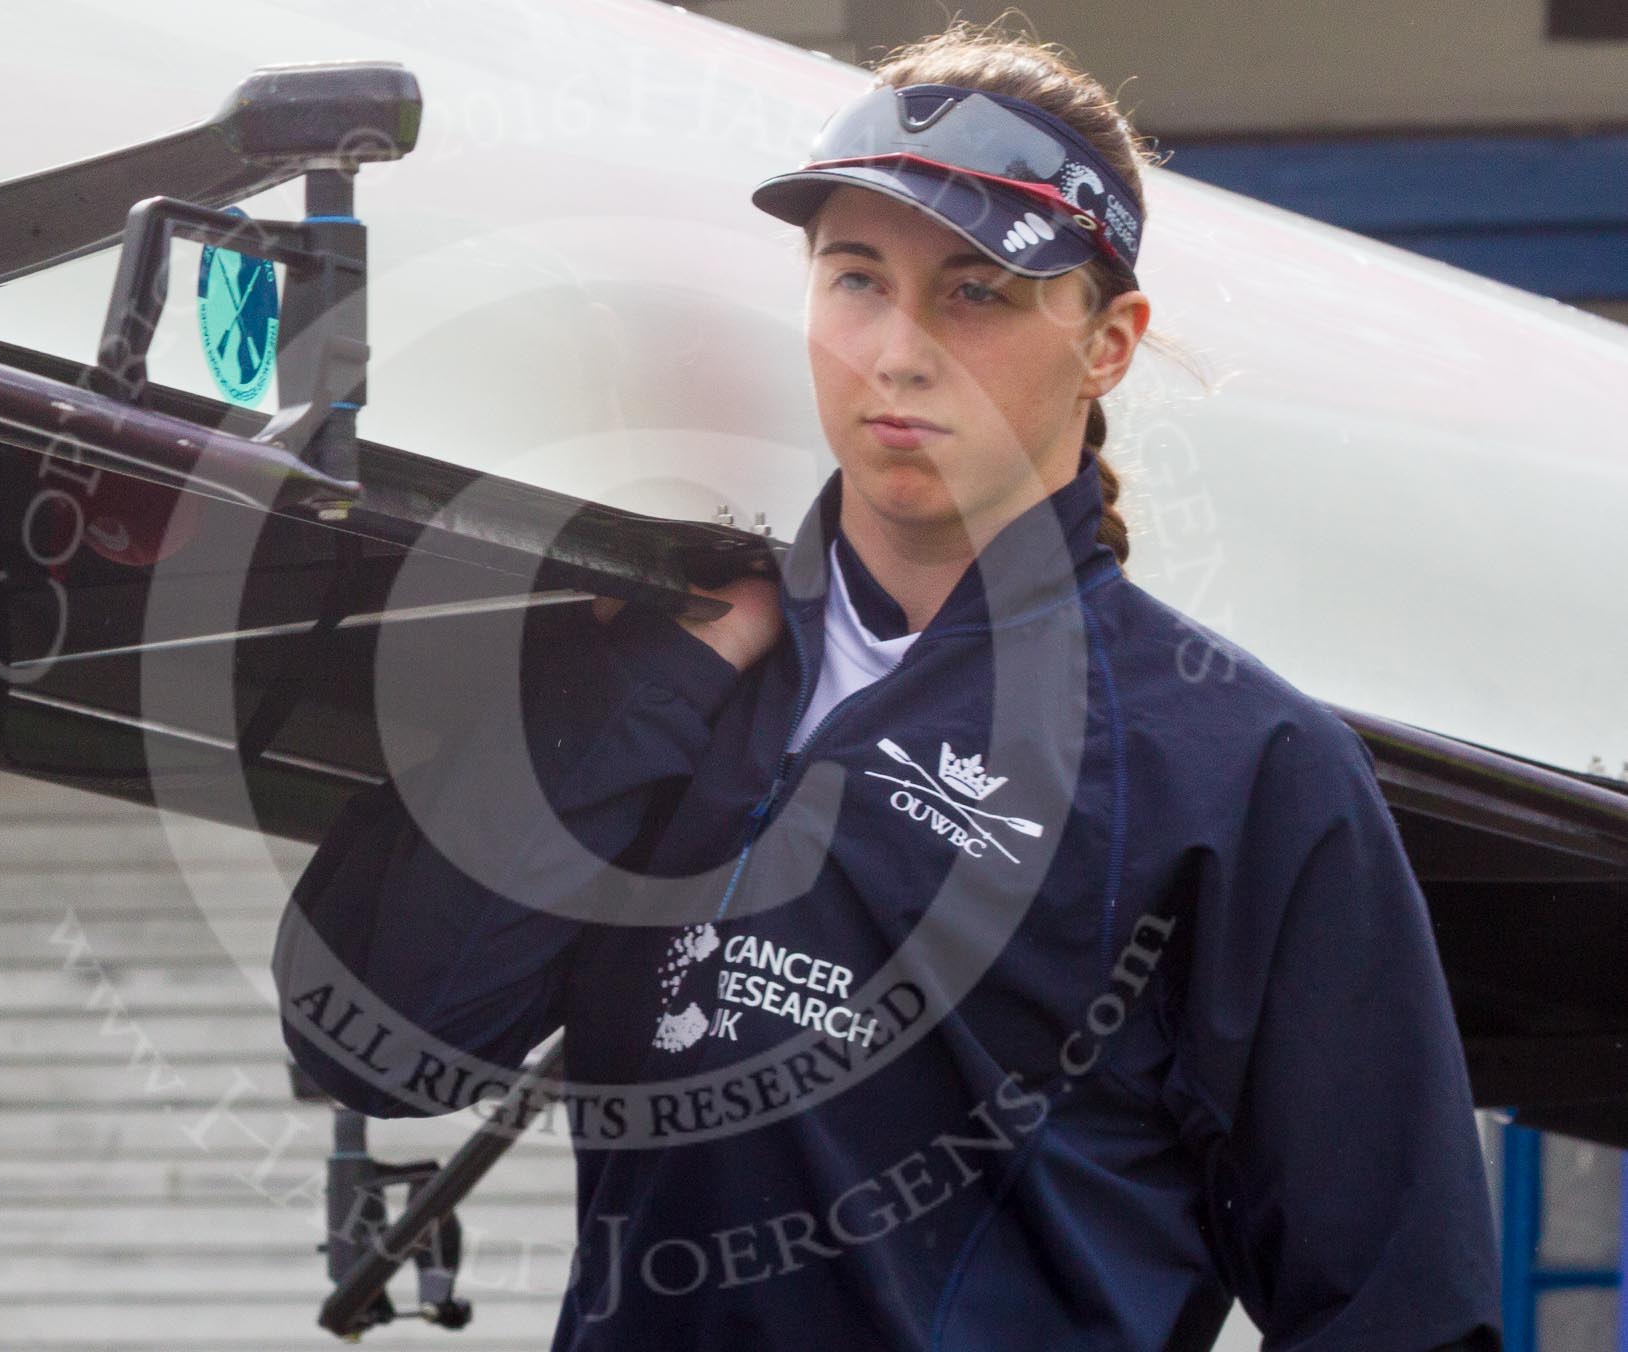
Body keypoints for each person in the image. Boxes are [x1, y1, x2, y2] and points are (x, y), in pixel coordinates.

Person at [274, 19, 1501, 1351]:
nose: (896, 351)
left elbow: (1397, 1309)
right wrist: (661, 678)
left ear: (1109, 343)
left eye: (977, 290)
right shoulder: (648, 658)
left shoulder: (1240, 765)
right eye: (856, 279)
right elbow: (374, 1042)